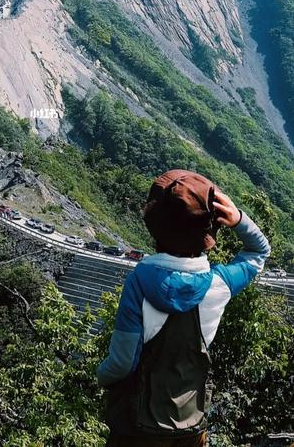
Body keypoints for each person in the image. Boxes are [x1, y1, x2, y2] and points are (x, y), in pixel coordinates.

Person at [97, 169, 271, 446]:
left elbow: (121, 363)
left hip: (136, 428)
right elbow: (259, 252)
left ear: (155, 224)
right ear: (209, 228)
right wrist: (239, 220)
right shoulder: (220, 285)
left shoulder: (140, 281)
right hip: (190, 427)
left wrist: (100, 376)